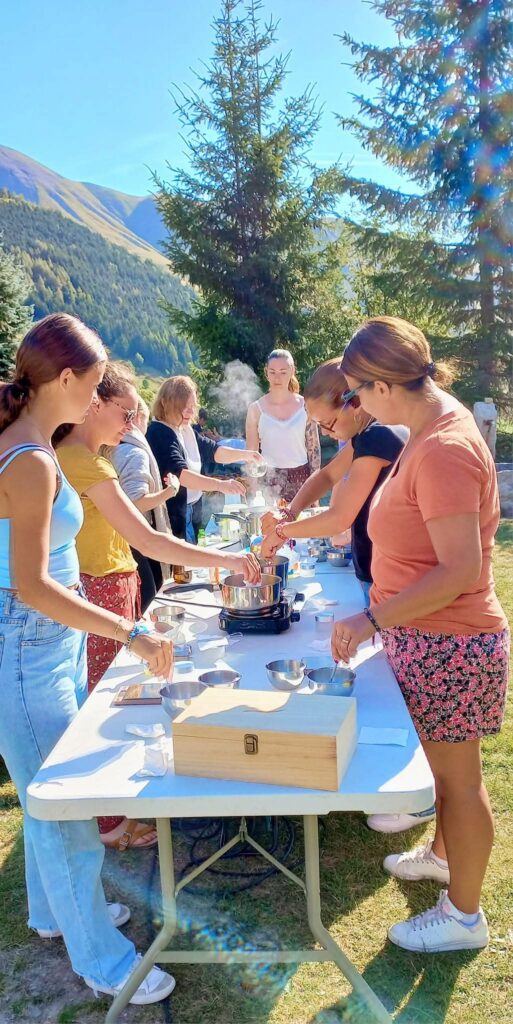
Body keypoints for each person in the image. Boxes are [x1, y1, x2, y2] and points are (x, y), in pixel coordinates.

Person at [0, 312, 176, 1005]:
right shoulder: (33, 459)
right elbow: (36, 584)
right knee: (67, 808)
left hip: (43, 641)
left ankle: (53, 914)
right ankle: (102, 961)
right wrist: (130, 633)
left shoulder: (30, 444)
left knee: (48, 796)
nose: (102, 396)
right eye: (98, 383)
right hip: (28, 642)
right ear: (67, 379)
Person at [331, 316, 509, 953]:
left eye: (355, 392)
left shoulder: (444, 447)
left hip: (451, 644)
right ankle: (441, 856)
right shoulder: (430, 428)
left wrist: (370, 618)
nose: (354, 404)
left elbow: (460, 568)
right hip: (426, 637)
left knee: (460, 785)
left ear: (382, 386)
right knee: (441, 776)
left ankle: (463, 917)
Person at [56, 362, 260, 850]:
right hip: (99, 588)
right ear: (93, 404)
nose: (130, 426)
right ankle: (110, 824)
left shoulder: (88, 455)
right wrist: (225, 557)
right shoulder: (84, 461)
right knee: (104, 706)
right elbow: (149, 538)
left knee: (117, 698)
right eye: (125, 414)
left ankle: (112, 812)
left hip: (113, 581)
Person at [260, 357, 407, 608]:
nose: (326, 433)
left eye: (328, 423)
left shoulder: (378, 436)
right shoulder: (369, 433)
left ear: (355, 403)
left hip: (387, 575)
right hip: (375, 568)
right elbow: (327, 475)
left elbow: (340, 518)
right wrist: (290, 512)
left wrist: (281, 533)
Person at [147, 376, 263, 542]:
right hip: (175, 513)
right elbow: (181, 475)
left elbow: (214, 451)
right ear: (165, 403)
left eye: (192, 407)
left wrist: (246, 455)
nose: (190, 412)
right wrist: (220, 485)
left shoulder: (185, 429)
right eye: (183, 407)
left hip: (192, 509)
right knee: (182, 563)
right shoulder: (159, 433)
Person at [107, 396, 180, 611]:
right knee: (148, 595)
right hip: (134, 538)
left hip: (117, 541)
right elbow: (136, 503)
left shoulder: (112, 447)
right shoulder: (134, 452)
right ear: (138, 417)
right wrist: (170, 491)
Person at [245, 349, 321, 504]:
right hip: (269, 481)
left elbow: (314, 452)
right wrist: (253, 492)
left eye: (283, 372)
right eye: (272, 372)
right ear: (266, 372)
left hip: (302, 480)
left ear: (292, 371)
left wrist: (315, 494)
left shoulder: (305, 406)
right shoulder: (256, 409)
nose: (277, 378)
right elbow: (251, 456)